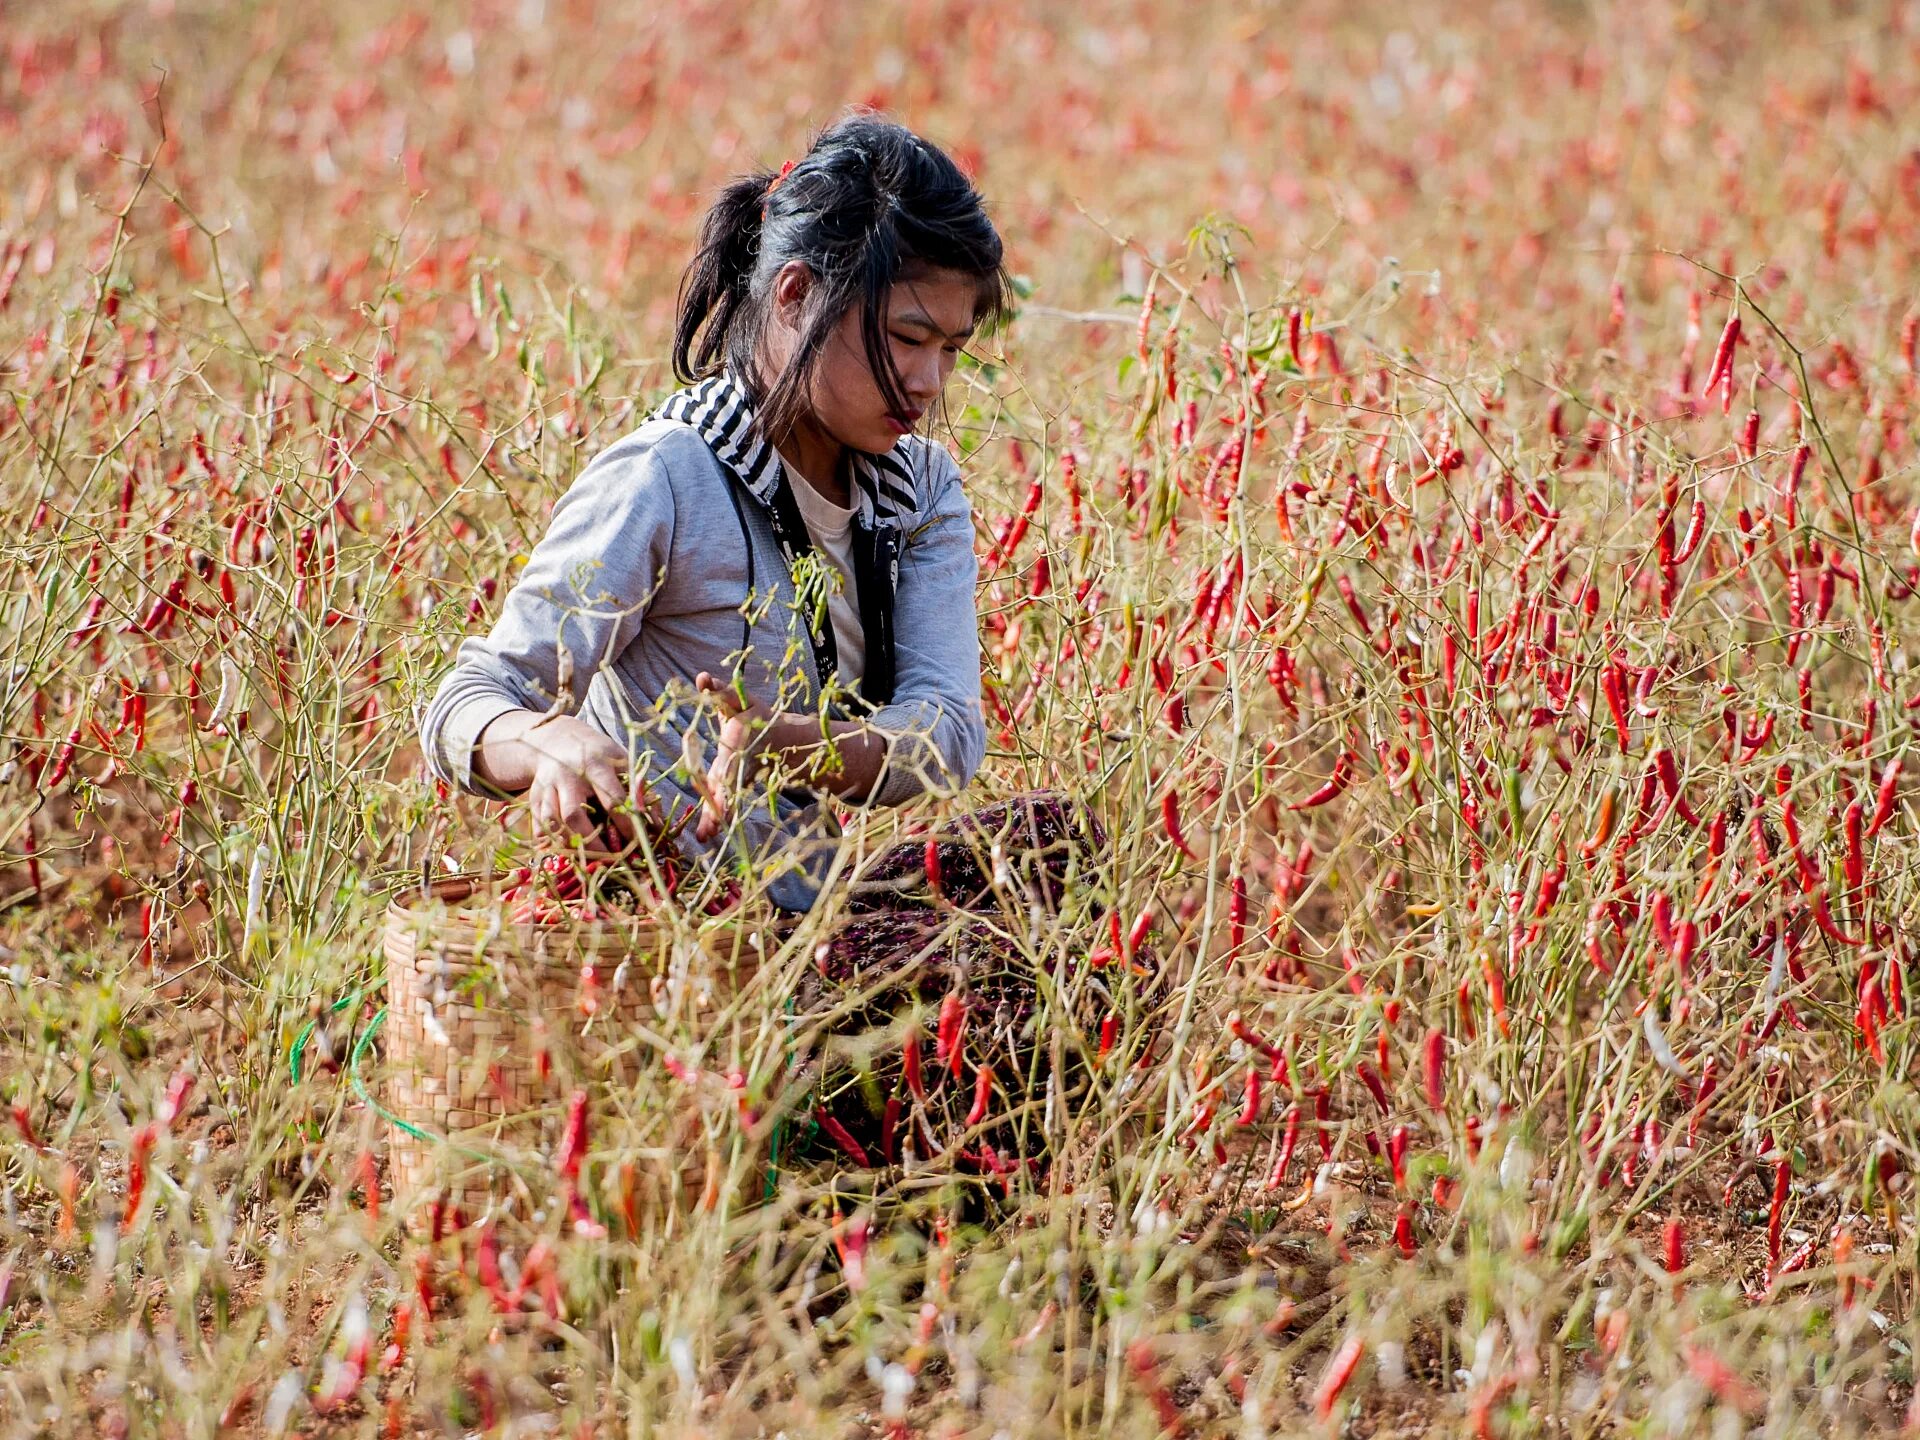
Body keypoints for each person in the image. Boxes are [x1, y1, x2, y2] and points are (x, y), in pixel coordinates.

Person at [417, 112, 1017, 912]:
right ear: (796, 295)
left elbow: (944, 735)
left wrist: (797, 748)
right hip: (663, 928)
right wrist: (548, 742)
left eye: (951, 347)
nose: (928, 381)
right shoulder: (667, 478)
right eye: (908, 337)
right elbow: (469, 700)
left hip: (804, 923)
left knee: (1050, 854)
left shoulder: (920, 492)